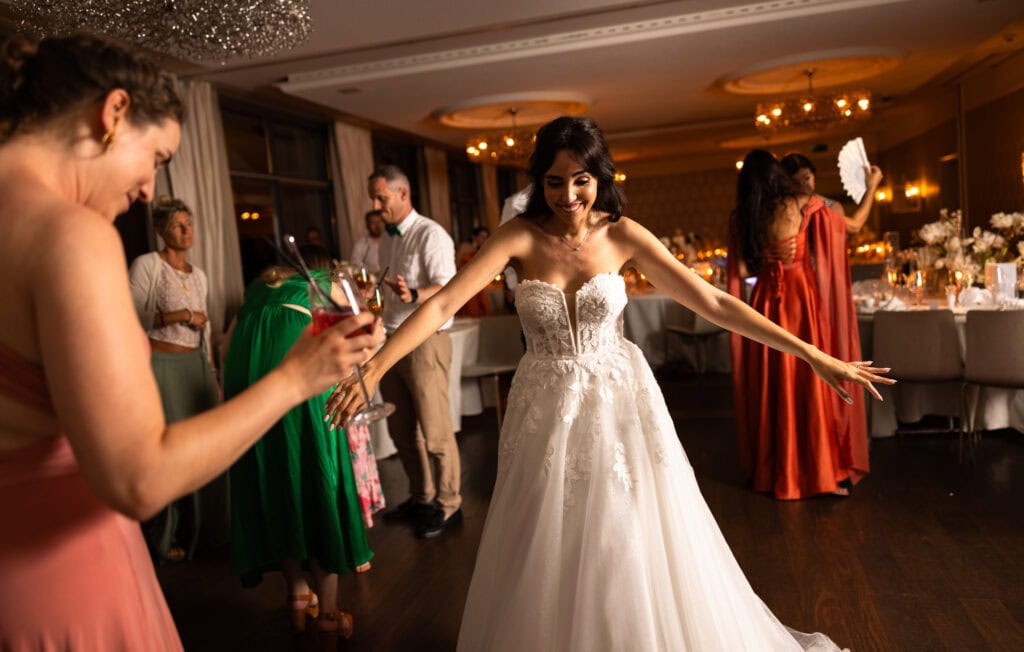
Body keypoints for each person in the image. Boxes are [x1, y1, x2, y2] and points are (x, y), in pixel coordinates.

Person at [328, 117, 892, 650]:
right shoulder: (517, 237)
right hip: (543, 406)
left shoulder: (621, 235)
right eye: (554, 182)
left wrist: (812, 354)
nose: (568, 195)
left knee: (627, 531)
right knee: (545, 537)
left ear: (599, 176)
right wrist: (373, 367)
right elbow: (442, 304)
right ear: (539, 182)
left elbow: (715, 302)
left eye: (581, 180)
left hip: (619, 403)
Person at [0, 34, 382, 650]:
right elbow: (140, 478)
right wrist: (295, 379)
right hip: (57, 574)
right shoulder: (69, 234)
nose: (149, 190)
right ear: (114, 112)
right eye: (157, 157)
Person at [222, 247, 378, 638]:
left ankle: (296, 593)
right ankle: (328, 614)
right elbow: (364, 335)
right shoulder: (326, 281)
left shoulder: (261, 287)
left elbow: (224, 348)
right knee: (316, 478)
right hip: (300, 378)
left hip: (247, 382)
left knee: (277, 479)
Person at [728, 149, 880, 500]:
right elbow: (854, 225)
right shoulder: (803, 204)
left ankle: (775, 472)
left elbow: (741, 271)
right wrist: (872, 185)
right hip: (802, 300)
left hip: (765, 301)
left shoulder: (742, 216)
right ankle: (819, 472)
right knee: (810, 378)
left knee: (774, 383)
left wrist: (765, 257)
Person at [367, 164, 462, 538]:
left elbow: (448, 288)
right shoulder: (387, 239)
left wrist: (414, 294)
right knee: (401, 430)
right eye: (374, 199)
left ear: (403, 194)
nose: (376, 207)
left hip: (426, 341)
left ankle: (450, 504)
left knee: (435, 430)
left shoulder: (431, 235)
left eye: (381, 198)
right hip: (392, 340)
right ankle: (422, 497)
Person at [129, 196, 220, 562]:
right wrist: (180, 315)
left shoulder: (199, 275)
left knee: (205, 448)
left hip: (195, 366)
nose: (186, 231)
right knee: (170, 451)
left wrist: (211, 372)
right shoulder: (148, 264)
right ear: (160, 231)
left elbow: (206, 330)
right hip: (162, 366)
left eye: (189, 223)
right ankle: (166, 536)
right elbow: (130, 315)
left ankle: (206, 531)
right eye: (178, 226)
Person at [780, 152, 883, 234]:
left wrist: (871, 187)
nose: (803, 185)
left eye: (807, 178)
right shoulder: (783, 207)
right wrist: (871, 187)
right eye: (795, 182)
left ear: (813, 175)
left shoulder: (828, 204)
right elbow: (855, 226)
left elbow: (854, 226)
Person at [456, 226, 493, 317]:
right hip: (463, 283)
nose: (484, 239)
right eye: (482, 236)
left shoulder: (483, 251)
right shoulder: (465, 247)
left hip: (477, 284)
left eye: (486, 237)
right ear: (474, 237)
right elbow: (456, 265)